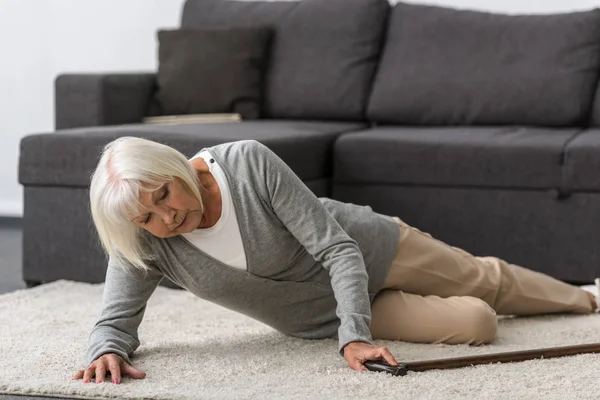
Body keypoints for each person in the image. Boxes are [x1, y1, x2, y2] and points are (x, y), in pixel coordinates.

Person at [72, 136, 599, 385]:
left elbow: (336, 248)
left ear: (173, 168)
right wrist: (105, 350)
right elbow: (115, 317)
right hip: (325, 316)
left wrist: (353, 335)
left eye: (165, 196)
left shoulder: (246, 164)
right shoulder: (147, 240)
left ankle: (588, 297)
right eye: (147, 218)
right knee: (479, 322)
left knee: (483, 280)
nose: (166, 219)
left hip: (372, 250)